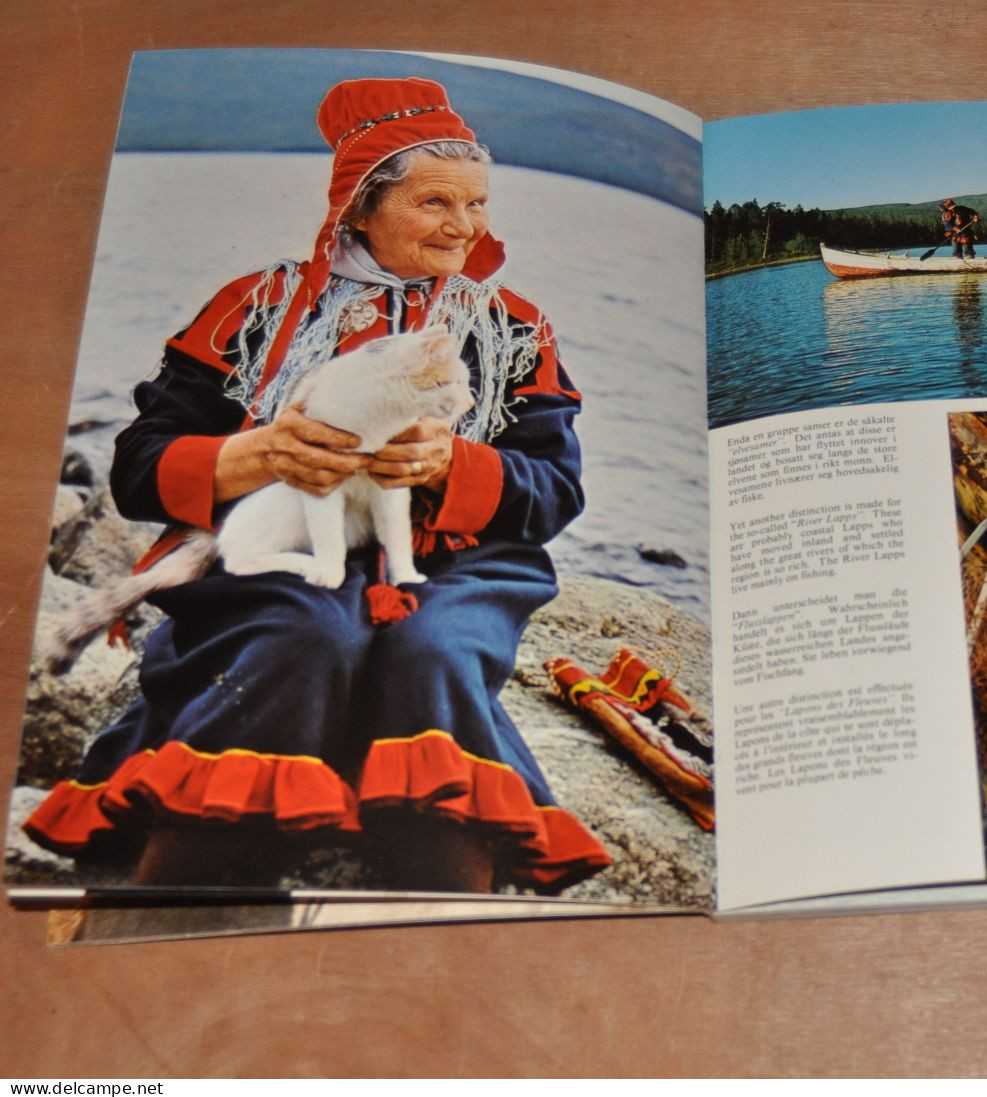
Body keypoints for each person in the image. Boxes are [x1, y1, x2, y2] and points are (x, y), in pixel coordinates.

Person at [24, 77, 612, 894]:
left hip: (454, 558)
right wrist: (261, 453)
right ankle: (185, 903)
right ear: (359, 209)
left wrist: (451, 466)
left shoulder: (512, 329)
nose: (465, 226)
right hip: (283, 536)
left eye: (476, 203)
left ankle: (440, 923)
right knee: (303, 639)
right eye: (436, 202)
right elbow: (137, 468)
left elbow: (552, 490)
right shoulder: (255, 308)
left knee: (434, 649)